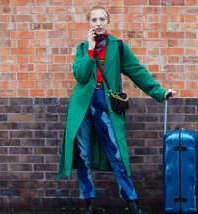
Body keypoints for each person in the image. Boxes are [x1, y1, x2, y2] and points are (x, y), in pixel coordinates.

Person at [57, 5, 176, 214]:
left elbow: (137, 71)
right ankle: (90, 202)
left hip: (106, 105)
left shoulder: (118, 47)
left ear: (108, 22)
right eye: (94, 20)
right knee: (82, 155)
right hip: (81, 106)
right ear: (89, 23)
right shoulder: (83, 48)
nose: (98, 23)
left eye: (102, 19)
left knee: (117, 153)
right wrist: (91, 48)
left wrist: (159, 92)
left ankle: (132, 202)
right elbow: (81, 76)